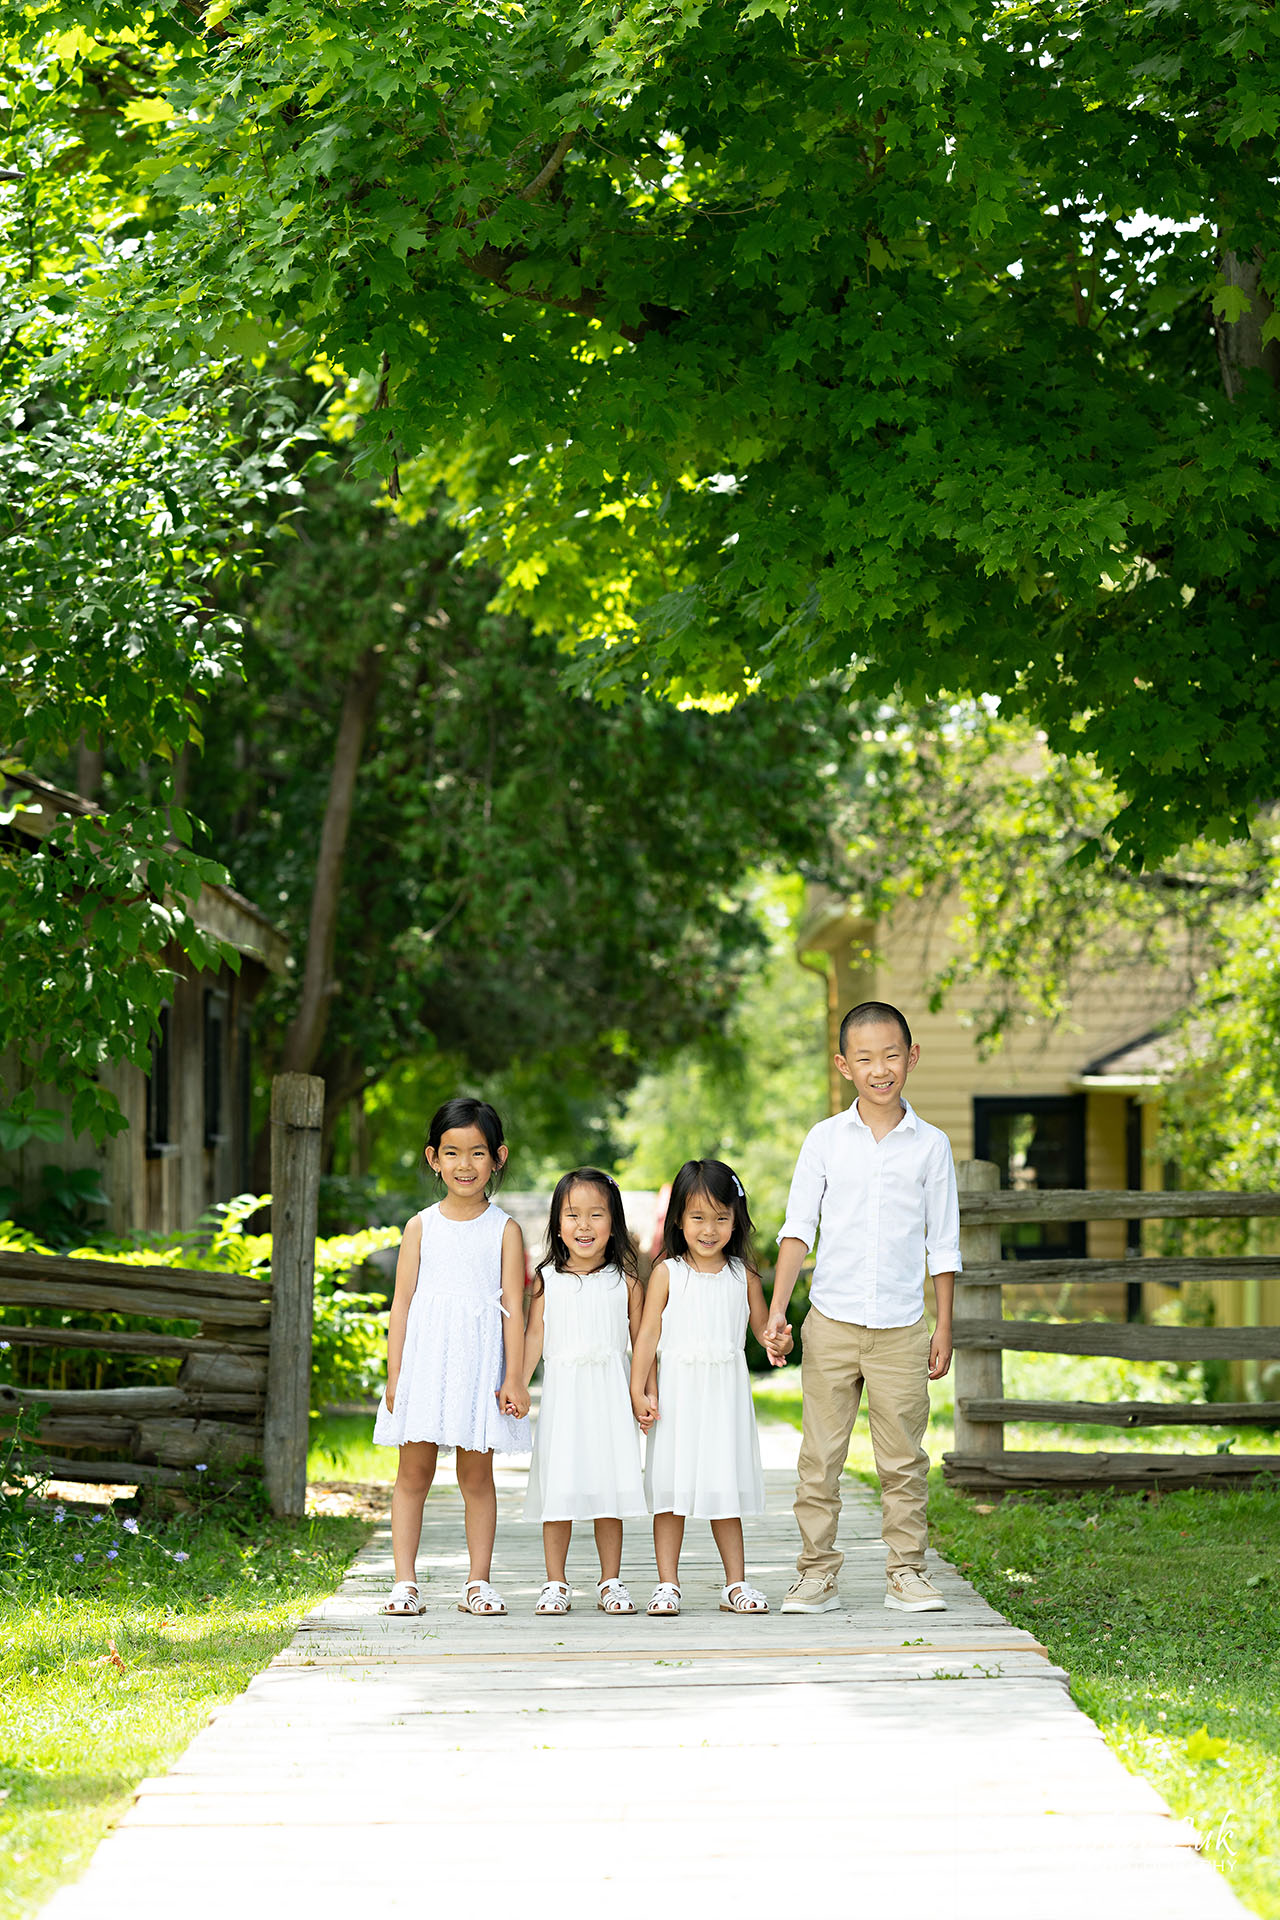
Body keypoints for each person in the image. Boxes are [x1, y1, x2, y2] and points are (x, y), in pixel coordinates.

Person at [766, 1001, 959, 1615]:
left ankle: (907, 1572)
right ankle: (815, 1573)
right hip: (831, 1322)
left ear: (913, 1057)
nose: (881, 1069)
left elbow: (943, 1242)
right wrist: (778, 1312)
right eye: (867, 1058)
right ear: (844, 1065)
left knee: (903, 1459)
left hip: (903, 1326)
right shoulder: (824, 1141)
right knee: (819, 1456)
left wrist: (944, 1326)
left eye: (893, 1055)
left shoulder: (931, 1147)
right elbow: (798, 1230)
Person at [373, 1097, 530, 1618]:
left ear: (498, 1157)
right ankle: (404, 1582)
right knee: (412, 1474)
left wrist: (514, 1376)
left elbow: (514, 1308)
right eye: (453, 1153)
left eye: (478, 1152)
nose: (466, 1165)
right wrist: (396, 1375)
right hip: (425, 1362)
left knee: (476, 1478)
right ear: (433, 1158)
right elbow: (402, 1304)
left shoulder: (505, 1229)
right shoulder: (421, 1226)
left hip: (479, 1365)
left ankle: (478, 1582)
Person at [630, 1158, 791, 1617]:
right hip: (678, 1395)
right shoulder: (667, 1273)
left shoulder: (745, 1275)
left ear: (736, 1218)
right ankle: (667, 1584)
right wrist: (638, 1390)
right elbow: (646, 1337)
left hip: (724, 1396)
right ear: (679, 1218)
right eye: (698, 1217)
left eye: (721, 1217)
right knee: (670, 1489)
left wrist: (779, 1337)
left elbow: (764, 1331)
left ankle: (734, 1583)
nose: (709, 1228)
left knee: (725, 1486)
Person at [522, 1169, 648, 1615]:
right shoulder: (546, 1280)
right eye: (572, 1215)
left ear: (613, 1223)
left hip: (610, 1398)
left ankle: (610, 1580)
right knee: (559, 1487)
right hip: (565, 1399)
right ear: (557, 1224)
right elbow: (534, 1336)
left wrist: (645, 1392)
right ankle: (555, 1581)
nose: (584, 1225)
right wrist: (517, 1382)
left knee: (608, 1489)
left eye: (597, 1215)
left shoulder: (627, 1281)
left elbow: (643, 1341)